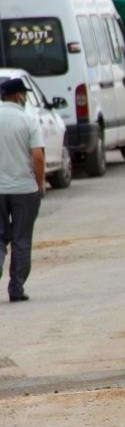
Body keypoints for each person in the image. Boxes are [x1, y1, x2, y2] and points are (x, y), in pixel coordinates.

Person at [0, 78, 45, 303]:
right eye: (23, 94)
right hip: (24, 189)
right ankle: (16, 289)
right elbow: (37, 156)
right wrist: (40, 184)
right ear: (18, 96)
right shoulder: (28, 120)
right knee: (21, 239)